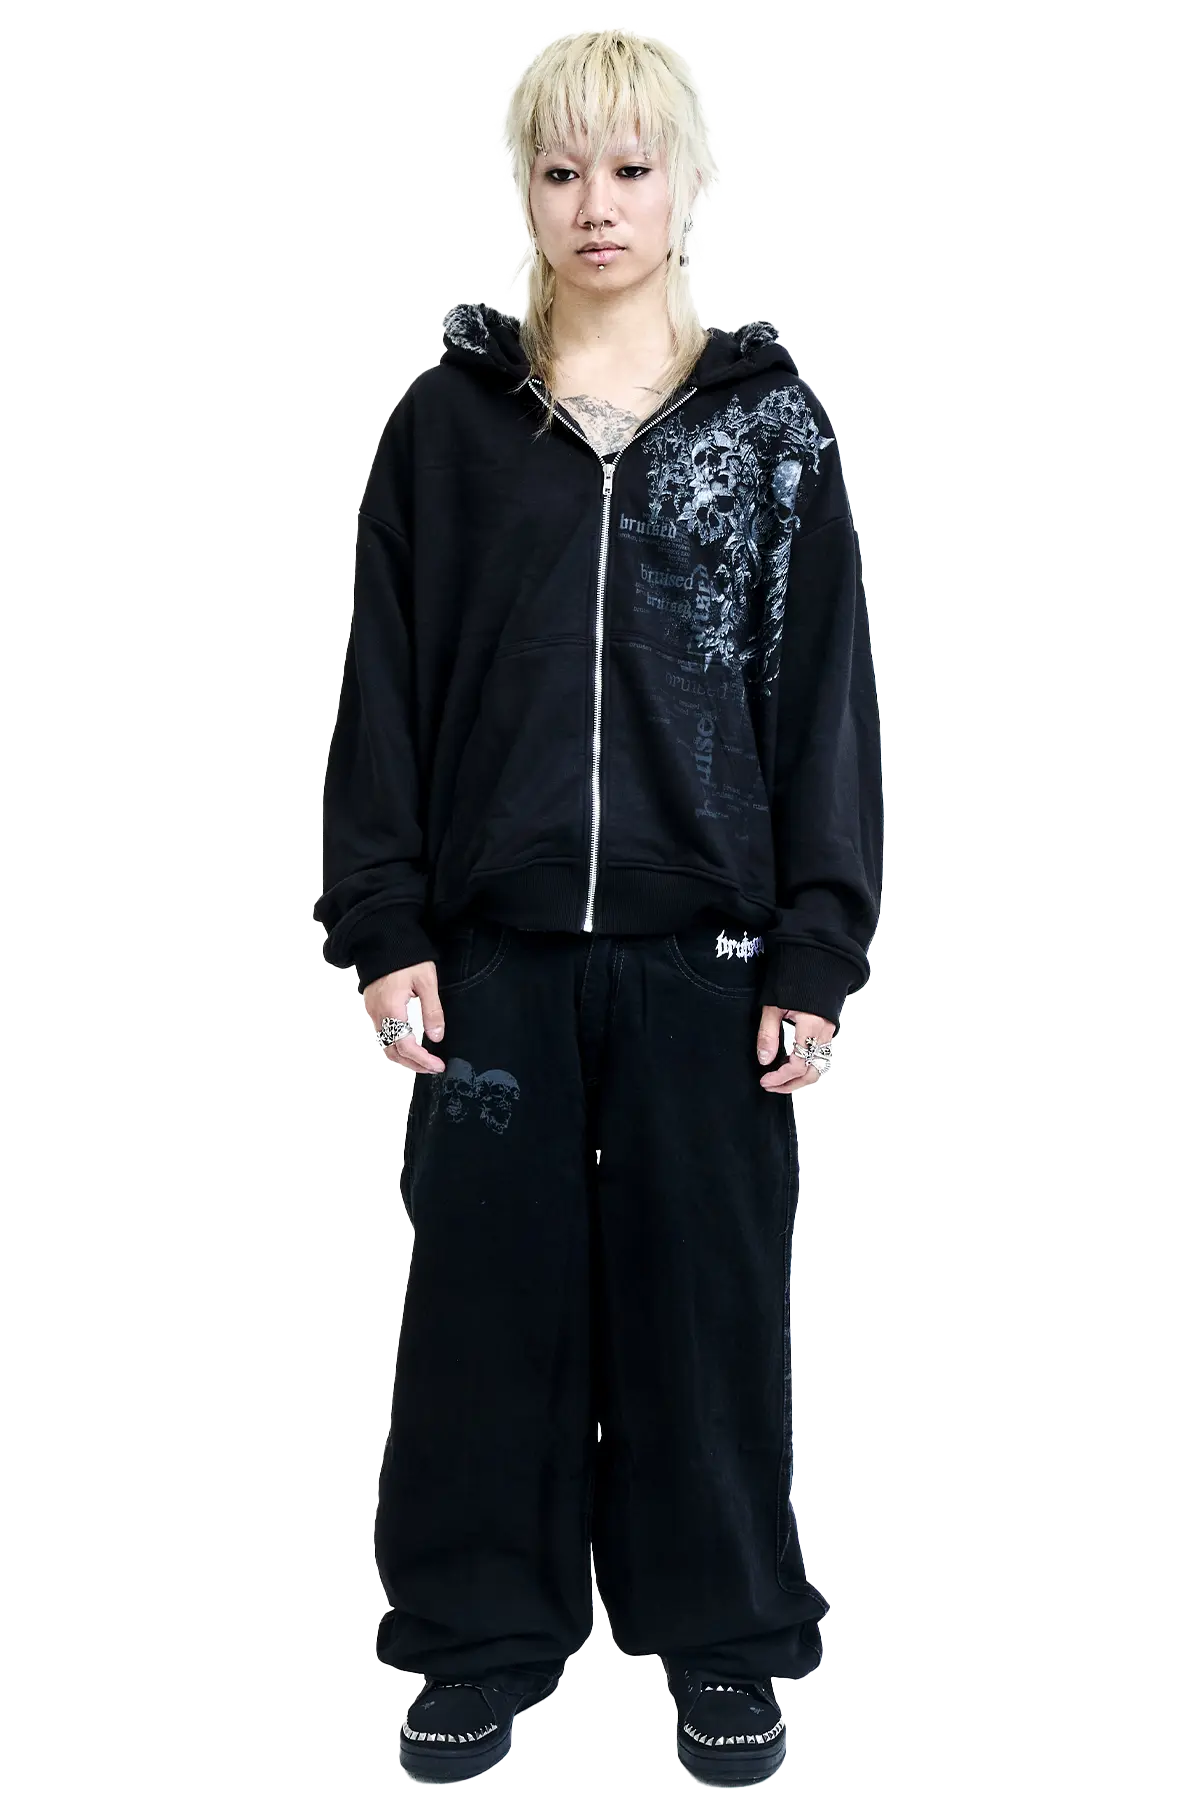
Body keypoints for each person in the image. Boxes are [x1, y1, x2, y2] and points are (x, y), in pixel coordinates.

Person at [314, 24, 883, 1786]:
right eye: (561, 170)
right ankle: (479, 1638)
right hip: (489, 958)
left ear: (691, 181)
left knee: (707, 1303)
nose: (597, 204)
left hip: (709, 959)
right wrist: (384, 925)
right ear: (523, 187)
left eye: (631, 168)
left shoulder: (771, 429)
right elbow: (384, 694)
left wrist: (817, 950)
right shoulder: (447, 429)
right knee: (486, 1307)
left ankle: (724, 1641)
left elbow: (823, 707)